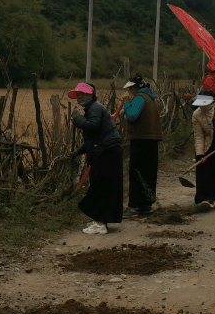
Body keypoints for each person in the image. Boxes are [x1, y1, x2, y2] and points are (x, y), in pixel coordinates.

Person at [69, 83, 123, 235]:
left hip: (107, 153)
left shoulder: (95, 108)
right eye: (77, 95)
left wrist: (77, 118)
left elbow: (92, 127)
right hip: (107, 151)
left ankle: (100, 223)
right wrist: (77, 152)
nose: (79, 97)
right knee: (104, 186)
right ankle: (101, 220)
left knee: (101, 187)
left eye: (82, 94)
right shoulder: (92, 108)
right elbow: (92, 139)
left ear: (91, 95)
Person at [121, 74, 162, 217]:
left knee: (136, 173)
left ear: (134, 87)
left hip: (141, 141)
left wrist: (126, 103)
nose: (129, 91)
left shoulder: (139, 98)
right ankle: (145, 205)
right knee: (148, 173)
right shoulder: (150, 97)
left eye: (130, 88)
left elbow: (132, 115)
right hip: (151, 141)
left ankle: (133, 207)